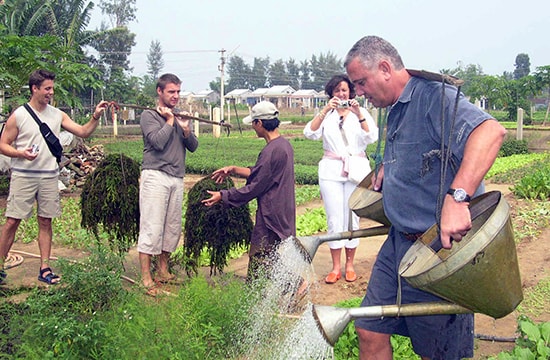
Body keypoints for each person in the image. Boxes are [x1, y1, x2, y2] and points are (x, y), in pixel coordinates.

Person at [344, 36, 507, 360]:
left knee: (438, 352)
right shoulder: (396, 108)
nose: (359, 92)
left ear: (386, 68)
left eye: (361, 82)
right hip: (398, 244)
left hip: (437, 252)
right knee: (369, 328)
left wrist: (457, 198)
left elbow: (490, 133)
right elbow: (420, 154)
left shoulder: (435, 97)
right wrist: (389, 170)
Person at [0, 69, 110, 285]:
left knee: (45, 220)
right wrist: (20, 153)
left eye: (52, 88)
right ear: (35, 89)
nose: (51, 92)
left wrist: (95, 116)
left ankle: (45, 267)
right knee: (13, 220)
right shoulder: (20, 115)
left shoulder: (57, 114)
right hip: (24, 175)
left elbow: (83, 131)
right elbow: (3, 145)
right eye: (47, 88)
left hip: (49, 176)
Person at [202, 101, 296, 280]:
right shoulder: (283, 145)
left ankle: (291, 286)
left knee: (261, 254)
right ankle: (286, 288)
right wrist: (234, 169)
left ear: (259, 123)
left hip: (271, 215)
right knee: (276, 255)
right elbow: (261, 175)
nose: (253, 127)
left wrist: (223, 195)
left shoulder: (272, 151)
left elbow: (255, 187)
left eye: (253, 123)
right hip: (281, 210)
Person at [303, 74, 378, 284]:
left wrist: (358, 113)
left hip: (356, 170)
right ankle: (336, 266)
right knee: (335, 218)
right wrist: (326, 110)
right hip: (331, 171)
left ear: (351, 92)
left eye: (344, 90)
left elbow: (372, 137)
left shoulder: (360, 113)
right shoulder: (327, 115)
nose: (341, 94)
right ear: (331, 93)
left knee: (352, 217)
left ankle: (350, 265)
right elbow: (310, 133)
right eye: (337, 91)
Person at [138, 73, 198, 292]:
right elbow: (157, 142)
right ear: (160, 91)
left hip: (177, 176)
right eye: (171, 92)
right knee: (151, 226)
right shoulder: (149, 115)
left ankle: (163, 270)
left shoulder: (179, 116)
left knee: (171, 227)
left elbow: (193, 146)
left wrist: (185, 129)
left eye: (178, 92)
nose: (176, 96)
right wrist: (170, 121)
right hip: (156, 175)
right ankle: (146, 276)